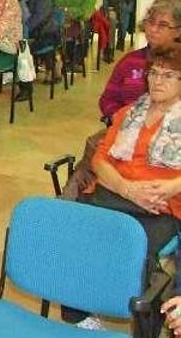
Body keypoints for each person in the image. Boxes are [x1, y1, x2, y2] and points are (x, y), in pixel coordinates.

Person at [61, 43, 181, 331]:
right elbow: (100, 160)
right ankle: (81, 316)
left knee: (128, 252)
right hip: (115, 195)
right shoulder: (130, 112)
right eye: (153, 73)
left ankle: (144, 326)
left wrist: (171, 185)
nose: (157, 80)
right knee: (72, 234)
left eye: (168, 75)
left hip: (161, 207)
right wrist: (128, 189)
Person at [100, 0, 181, 120]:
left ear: (178, 31)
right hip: (128, 127)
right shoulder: (129, 61)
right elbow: (108, 98)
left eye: (163, 25)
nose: (153, 29)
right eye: (151, 22)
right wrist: (119, 117)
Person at [11, 0, 58, 99]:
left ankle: (26, 87)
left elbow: (38, 18)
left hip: (43, 34)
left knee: (22, 48)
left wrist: (22, 31)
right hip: (22, 32)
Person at [53, 0, 98, 71]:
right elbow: (51, 1)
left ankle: (61, 61)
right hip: (55, 19)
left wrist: (67, 11)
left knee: (60, 32)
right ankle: (52, 62)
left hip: (75, 22)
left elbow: (86, 10)